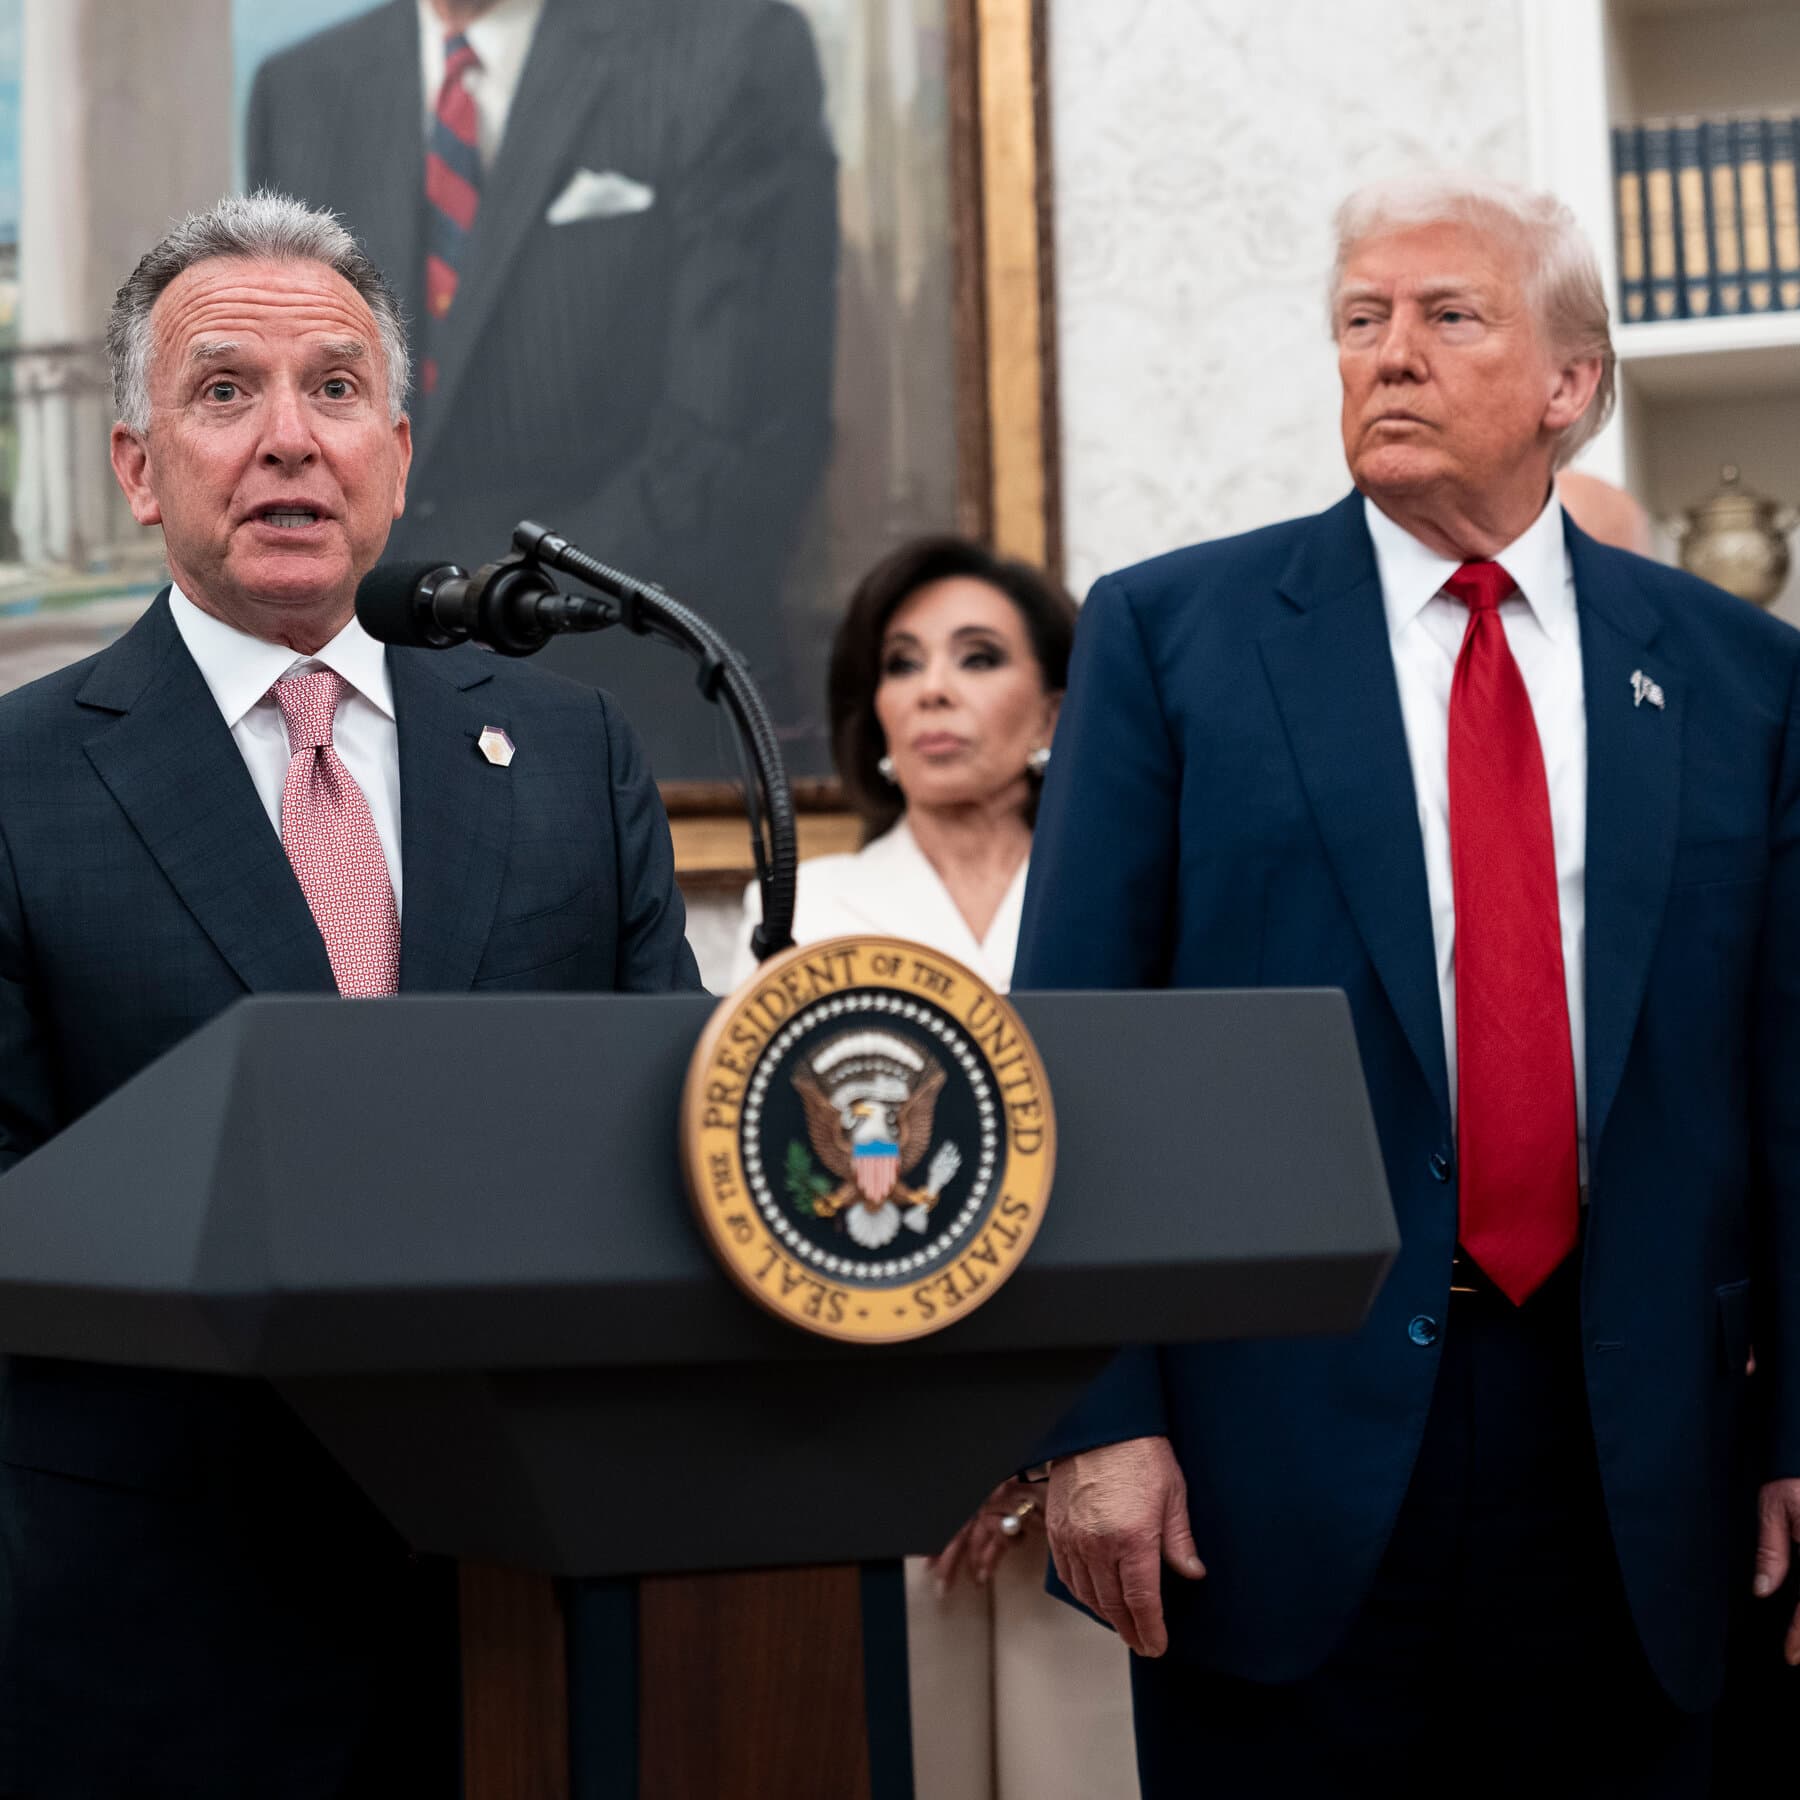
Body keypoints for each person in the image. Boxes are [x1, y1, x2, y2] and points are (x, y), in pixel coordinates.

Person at [1017, 174, 1800, 1798]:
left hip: (1640, 1455)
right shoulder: (1174, 639)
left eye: (1449, 316)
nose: (1391, 352)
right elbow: (1069, 1049)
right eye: (1362, 319)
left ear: (1570, 385)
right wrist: (1095, 1415)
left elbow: (1786, 1080)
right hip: (1274, 1459)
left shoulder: (1742, 676)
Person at [0, 192, 700, 1798]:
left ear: (393, 448)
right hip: (161, 1631)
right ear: (135, 462)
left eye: (332, 391)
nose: (287, 442)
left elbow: (667, 1124)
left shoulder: (571, 756)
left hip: (539, 1594)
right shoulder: (20, 785)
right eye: (224, 392)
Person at [733, 537, 1139, 1799]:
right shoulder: (807, 921)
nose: (931, 693)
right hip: (884, 1463)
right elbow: (787, 1225)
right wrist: (949, 1448)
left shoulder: (1128, 907)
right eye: (901, 666)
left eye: (977, 658)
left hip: (1110, 1458)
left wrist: (1051, 1441)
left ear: (1057, 710)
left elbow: (1151, 1196)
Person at [246, 0, 839, 778]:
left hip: (635, 712)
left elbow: (735, 447)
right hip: (365, 735)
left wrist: (462, 610)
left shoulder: (732, 51)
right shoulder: (301, 88)